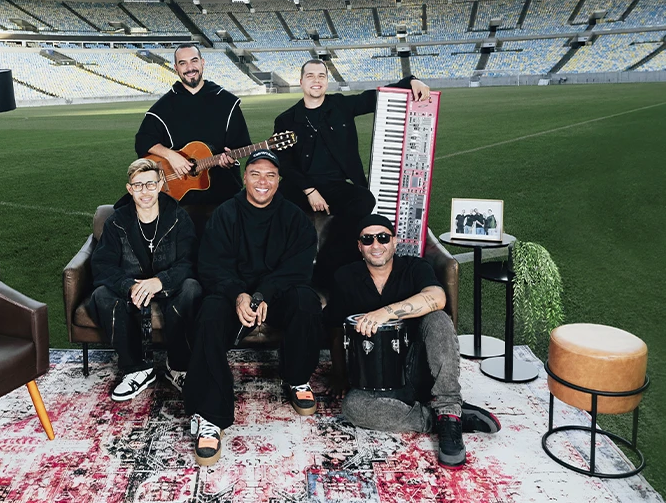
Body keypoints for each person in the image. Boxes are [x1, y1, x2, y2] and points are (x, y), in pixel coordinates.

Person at [325, 214, 501, 467]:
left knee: (438, 318)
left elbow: (437, 297)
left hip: (419, 368)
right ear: (359, 246)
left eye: (383, 237)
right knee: (353, 408)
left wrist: (384, 313)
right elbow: (335, 328)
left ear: (394, 242)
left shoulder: (415, 267)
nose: (376, 245)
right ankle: (444, 420)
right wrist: (339, 374)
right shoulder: (345, 276)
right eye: (368, 239)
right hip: (375, 380)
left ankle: (449, 406)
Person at [184, 150, 322, 466]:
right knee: (208, 315)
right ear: (245, 177)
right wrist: (239, 295)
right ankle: (210, 415)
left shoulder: (294, 217)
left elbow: (299, 268)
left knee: (307, 300)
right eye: (256, 173)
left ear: (279, 181)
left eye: (270, 175)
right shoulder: (224, 213)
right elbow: (210, 266)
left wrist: (264, 294)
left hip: (276, 295)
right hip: (234, 295)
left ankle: (296, 378)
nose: (263, 181)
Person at [272, 60, 430, 284]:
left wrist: (411, 81)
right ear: (301, 82)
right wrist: (309, 190)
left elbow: (377, 96)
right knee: (273, 202)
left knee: (363, 200)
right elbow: (284, 163)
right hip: (301, 186)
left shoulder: (341, 105)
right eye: (310, 76)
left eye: (321, 76)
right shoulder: (285, 119)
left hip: (336, 185)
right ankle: (282, 271)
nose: (316, 81)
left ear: (327, 81)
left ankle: (327, 267)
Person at [87, 159, 201, 401]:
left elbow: (189, 262)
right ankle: (137, 369)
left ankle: (178, 366)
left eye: (150, 184)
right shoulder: (116, 221)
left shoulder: (179, 217)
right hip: (132, 288)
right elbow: (103, 264)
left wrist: (160, 281)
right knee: (101, 295)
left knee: (191, 288)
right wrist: (128, 286)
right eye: (138, 186)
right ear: (129, 189)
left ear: (161, 185)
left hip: (169, 287)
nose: (145, 191)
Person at [134, 43, 253, 206]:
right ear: (176, 68)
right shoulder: (163, 107)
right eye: (183, 63)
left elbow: (241, 145)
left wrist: (229, 159)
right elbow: (142, 141)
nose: (190, 68)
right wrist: (171, 155)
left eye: (194, 61)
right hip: (181, 198)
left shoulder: (227, 102)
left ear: (202, 62)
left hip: (224, 195)